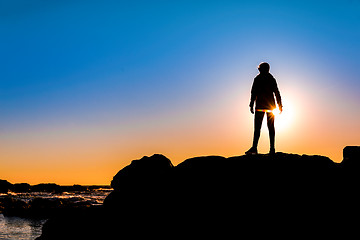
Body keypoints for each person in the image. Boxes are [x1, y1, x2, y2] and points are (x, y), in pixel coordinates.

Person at [246, 62, 282, 155]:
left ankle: (259, 148)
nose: (259, 70)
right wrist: (279, 105)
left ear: (263, 69)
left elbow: (253, 93)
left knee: (260, 127)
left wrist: (251, 104)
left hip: (262, 106)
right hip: (268, 106)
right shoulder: (270, 79)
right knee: (268, 127)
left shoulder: (259, 79)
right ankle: (270, 149)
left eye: (260, 69)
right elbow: (276, 92)